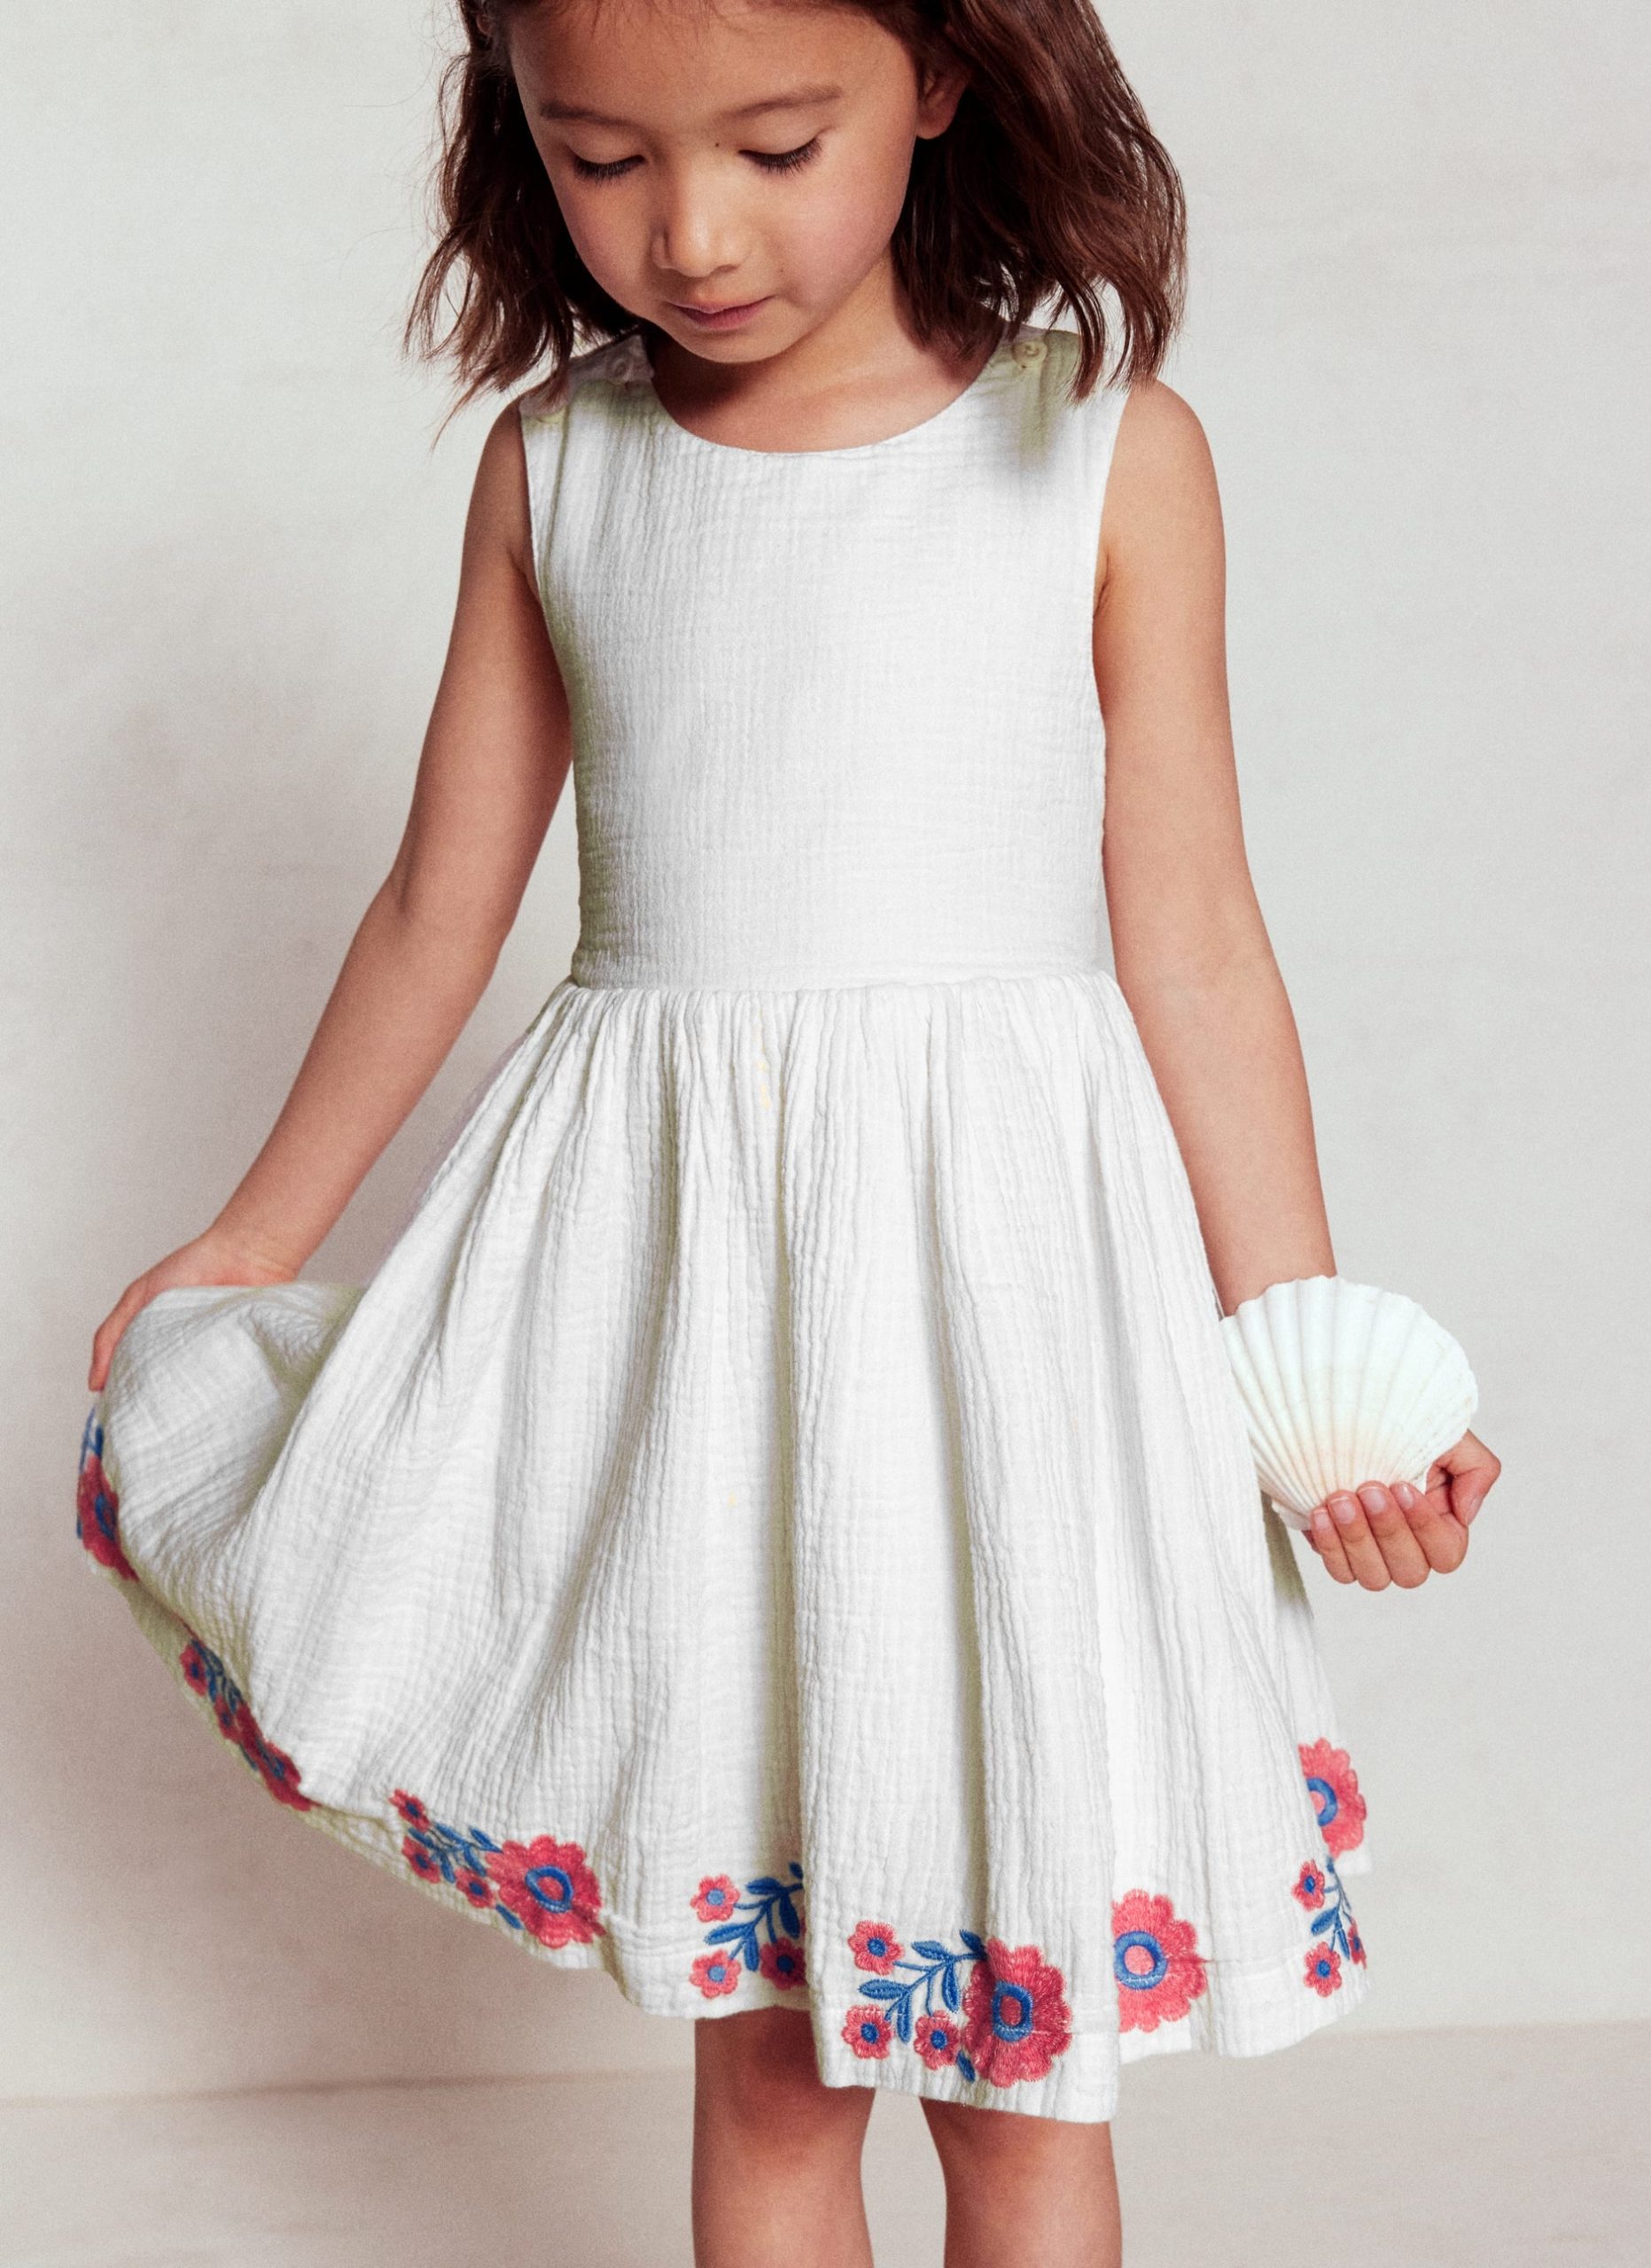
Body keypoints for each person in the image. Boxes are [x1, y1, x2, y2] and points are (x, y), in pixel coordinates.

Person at [81, 2, 1502, 2261]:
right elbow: (441, 904)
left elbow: (1203, 945)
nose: (693, 233)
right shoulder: (563, 466)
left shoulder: (1106, 449)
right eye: (604, 157)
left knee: (1020, 2066)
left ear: (940, 75)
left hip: (1007, 1313)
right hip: (697, 1316)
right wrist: (255, 1232)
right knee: (770, 2049)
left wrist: (1310, 1360)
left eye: (771, 145)